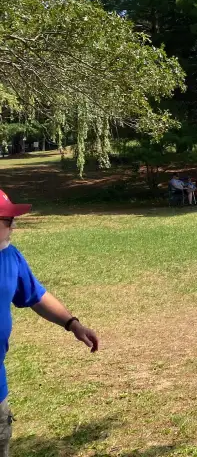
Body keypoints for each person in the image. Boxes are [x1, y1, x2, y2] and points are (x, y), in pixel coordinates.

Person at [0, 190, 100, 454]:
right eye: (8, 221)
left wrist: (72, 324)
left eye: (11, 221)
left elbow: (36, 296)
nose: (13, 227)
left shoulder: (9, 256)